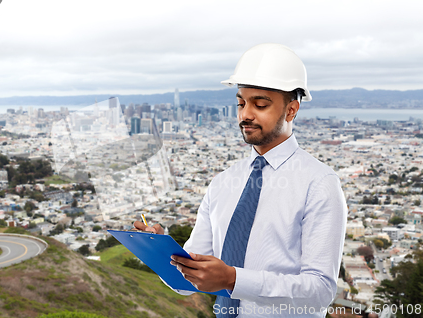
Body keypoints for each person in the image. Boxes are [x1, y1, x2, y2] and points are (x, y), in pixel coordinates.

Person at [134, 43, 347, 318]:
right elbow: (184, 283)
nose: (245, 114)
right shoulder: (223, 183)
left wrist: (233, 280)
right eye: (241, 103)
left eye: (260, 105)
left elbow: (318, 293)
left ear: (292, 110)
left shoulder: (319, 184)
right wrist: (162, 252)